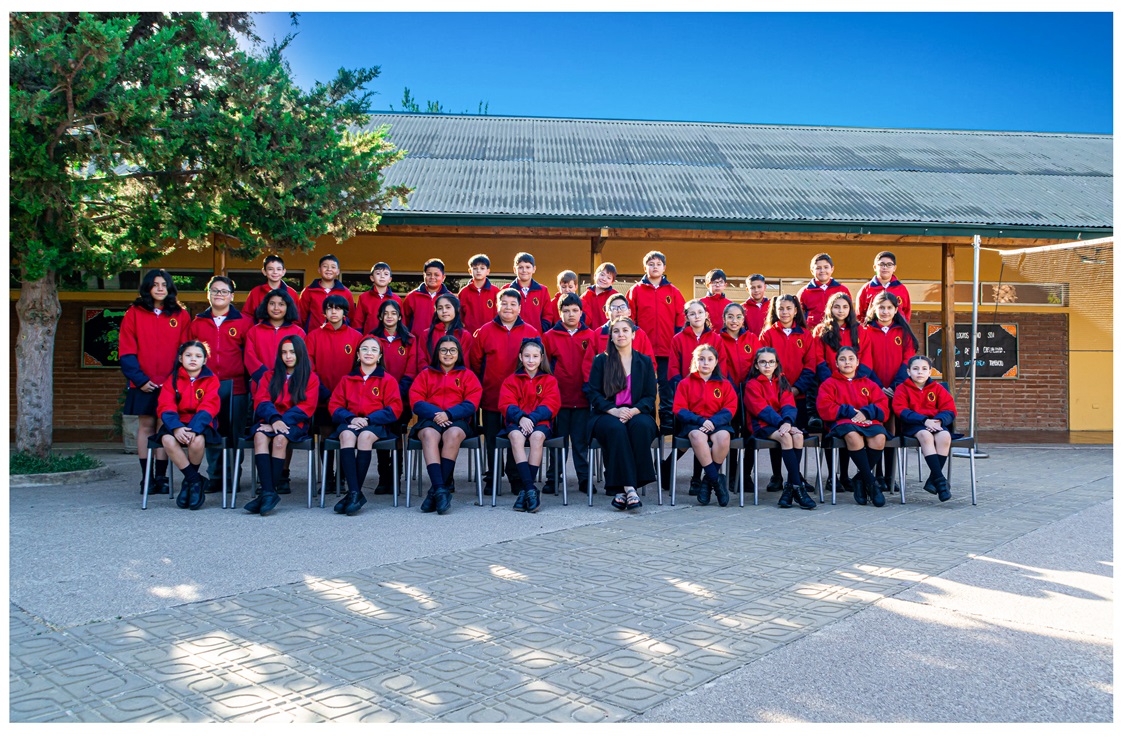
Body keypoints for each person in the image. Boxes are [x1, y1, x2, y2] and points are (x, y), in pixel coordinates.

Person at [118, 268, 191, 495]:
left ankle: (161, 477)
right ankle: (147, 477)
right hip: (143, 382)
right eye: (155, 284)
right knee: (146, 427)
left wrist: (175, 380)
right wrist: (140, 380)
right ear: (148, 287)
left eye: (164, 284)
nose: (160, 288)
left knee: (164, 427)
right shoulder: (134, 313)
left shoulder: (181, 315)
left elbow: (185, 352)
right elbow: (126, 351)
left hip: (170, 383)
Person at [468, 288, 541, 490]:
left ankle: (515, 477)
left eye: (513, 304)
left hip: (520, 399)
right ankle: (493, 477)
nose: (508, 307)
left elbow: (537, 362)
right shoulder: (484, 331)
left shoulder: (531, 332)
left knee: (515, 436)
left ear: (520, 307)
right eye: (504, 303)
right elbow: (475, 362)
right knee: (492, 438)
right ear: (496, 305)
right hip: (492, 395)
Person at [585, 317, 659, 511]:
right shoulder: (601, 361)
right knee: (616, 428)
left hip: (637, 412)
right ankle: (630, 488)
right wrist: (614, 410)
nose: (621, 334)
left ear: (633, 334)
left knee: (641, 426)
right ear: (611, 336)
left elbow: (650, 396)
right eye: (616, 331)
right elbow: (593, 393)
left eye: (625, 330)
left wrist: (633, 411)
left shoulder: (644, 362)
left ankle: (620, 491)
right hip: (607, 413)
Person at [189, 275, 253, 494]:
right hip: (207, 388)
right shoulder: (197, 323)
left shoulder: (243, 322)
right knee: (212, 430)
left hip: (236, 387)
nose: (219, 295)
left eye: (224, 291)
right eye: (215, 291)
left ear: (232, 296)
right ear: (208, 294)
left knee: (235, 434)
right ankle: (216, 476)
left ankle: (233, 477)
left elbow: (249, 354)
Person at [244, 336, 320, 515]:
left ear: (300, 353)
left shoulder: (310, 378)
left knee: (280, 439)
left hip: (295, 422)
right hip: (270, 419)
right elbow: (262, 400)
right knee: (259, 436)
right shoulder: (269, 376)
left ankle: (267, 493)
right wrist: (274, 420)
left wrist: (281, 422)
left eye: (292, 352)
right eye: (284, 352)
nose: (288, 356)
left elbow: (306, 407)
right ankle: (268, 492)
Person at [326, 336, 403, 515]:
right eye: (365, 349)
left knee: (365, 436)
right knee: (346, 436)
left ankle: (353, 493)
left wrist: (369, 419)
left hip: (375, 424)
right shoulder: (347, 379)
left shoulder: (388, 380)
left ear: (380, 356)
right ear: (358, 355)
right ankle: (355, 493)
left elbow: (395, 408)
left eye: (374, 350)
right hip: (351, 422)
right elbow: (334, 405)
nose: (369, 353)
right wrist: (351, 418)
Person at [408, 336, 483, 514]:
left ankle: (435, 491)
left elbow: (472, 403)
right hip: (430, 419)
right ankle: (441, 489)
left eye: (452, 350)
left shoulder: (467, 375)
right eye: (443, 350)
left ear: (458, 354)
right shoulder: (426, 374)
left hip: (457, 420)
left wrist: (448, 414)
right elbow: (416, 401)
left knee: (453, 434)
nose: (448, 354)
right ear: (437, 353)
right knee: (428, 434)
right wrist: (437, 414)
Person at [810, 291, 874, 490]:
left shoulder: (860, 331)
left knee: (851, 427)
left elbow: (867, 358)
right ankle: (832, 476)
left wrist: (854, 379)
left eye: (845, 306)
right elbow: (818, 359)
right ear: (830, 308)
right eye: (836, 306)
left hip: (855, 386)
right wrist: (832, 381)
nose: (841, 310)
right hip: (831, 386)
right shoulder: (821, 330)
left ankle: (846, 476)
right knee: (832, 431)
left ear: (850, 309)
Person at [817, 346, 890, 507]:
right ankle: (871, 483)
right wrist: (849, 411)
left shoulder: (868, 383)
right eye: (842, 359)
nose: (847, 362)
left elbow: (883, 405)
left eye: (851, 359)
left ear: (857, 363)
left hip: (867, 421)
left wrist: (866, 412)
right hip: (842, 421)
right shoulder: (829, 384)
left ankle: (859, 479)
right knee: (853, 436)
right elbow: (825, 407)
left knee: (880, 437)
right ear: (836, 363)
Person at [744, 347, 816, 509]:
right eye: (763, 362)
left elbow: (789, 405)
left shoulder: (782, 382)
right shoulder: (752, 385)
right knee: (786, 437)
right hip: (762, 425)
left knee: (798, 436)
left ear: (776, 364)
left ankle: (789, 489)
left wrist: (788, 422)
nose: (767, 365)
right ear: (756, 365)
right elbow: (762, 410)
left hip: (782, 423)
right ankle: (798, 488)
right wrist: (783, 424)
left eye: (771, 362)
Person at [665, 299, 723, 496]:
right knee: (691, 435)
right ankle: (666, 467)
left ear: (706, 315)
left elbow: (721, 366)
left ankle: (697, 479)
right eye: (692, 313)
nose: (696, 316)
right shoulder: (678, 339)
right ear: (687, 317)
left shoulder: (716, 338)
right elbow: (673, 369)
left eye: (700, 312)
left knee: (704, 434)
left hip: (711, 397)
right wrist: (685, 388)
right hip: (688, 398)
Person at [758, 294, 816, 493]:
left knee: (796, 434)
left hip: (797, 396)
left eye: (788, 308)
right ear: (775, 311)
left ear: (796, 310)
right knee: (779, 434)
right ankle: (777, 475)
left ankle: (795, 477)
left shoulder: (805, 335)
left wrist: (796, 388)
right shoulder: (768, 334)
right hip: (773, 395)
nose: (784, 312)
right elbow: (764, 363)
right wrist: (778, 389)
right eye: (781, 308)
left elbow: (810, 366)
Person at [155, 340, 221, 510]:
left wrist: (195, 428)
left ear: (204, 360)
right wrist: (176, 427)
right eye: (188, 355)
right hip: (177, 421)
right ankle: (194, 480)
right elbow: (165, 405)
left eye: (198, 356)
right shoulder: (172, 379)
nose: (193, 359)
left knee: (197, 440)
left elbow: (210, 406)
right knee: (167, 440)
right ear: (180, 358)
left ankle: (188, 483)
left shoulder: (211, 379)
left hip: (201, 421)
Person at [863, 291, 919, 493]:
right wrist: (878, 387)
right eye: (881, 307)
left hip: (896, 391)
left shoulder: (903, 333)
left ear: (896, 310)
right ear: (874, 309)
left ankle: (890, 475)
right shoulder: (866, 331)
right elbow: (865, 361)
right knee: (876, 432)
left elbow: (908, 360)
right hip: (874, 391)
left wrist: (895, 386)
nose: (885, 311)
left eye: (889, 308)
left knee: (892, 433)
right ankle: (876, 475)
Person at [498, 338, 562, 513]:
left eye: (535, 356)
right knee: (516, 436)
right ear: (520, 357)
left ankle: (525, 491)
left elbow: (551, 404)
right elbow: (506, 404)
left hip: (540, 422)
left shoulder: (549, 380)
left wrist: (532, 419)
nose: (531, 360)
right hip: (516, 422)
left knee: (537, 437)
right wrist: (521, 418)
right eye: (527, 356)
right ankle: (530, 490)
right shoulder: (511, 380)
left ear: (541, 358)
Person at [306, 294, 363, 489]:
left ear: (344, 312)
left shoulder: (356, 337)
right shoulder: (313, 336)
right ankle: (328, 477)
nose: (333, 312)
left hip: (348, 399)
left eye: (337, 308)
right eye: (329, 308)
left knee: (348, 434)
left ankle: (343, 476)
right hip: (323, 397)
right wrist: (325, 393)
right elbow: (309, 369)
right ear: (324, 312)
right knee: (326, 435)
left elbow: (359, 368)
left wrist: (345, 395)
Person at [542, 294, 596, 495]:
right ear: (560, 313)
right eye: (566, 311)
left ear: (581, 313)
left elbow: (594, 367)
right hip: (559, 400)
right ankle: (553, 478)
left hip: (582, 399)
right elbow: (545, 368)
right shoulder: (549, 337)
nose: (571, 314)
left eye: (575, 310)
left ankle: (584, 479)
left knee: (581, 443)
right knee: (558, 442)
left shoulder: (591, 335)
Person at [626, 250, 686, 433]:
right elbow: (630, 321)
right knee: (646, 386)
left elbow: (681, 319)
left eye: (658, 264)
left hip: (667, 350)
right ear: (645, 267)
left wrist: (675, 343)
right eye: (651, 264)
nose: (655, 267)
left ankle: (666, 423)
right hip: (643, 350)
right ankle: (648, 420)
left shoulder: (673, 291)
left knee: (666, 387)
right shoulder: (635, 290)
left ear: (664, 267)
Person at [672, 344, 737, 506]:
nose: (705, 363)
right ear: (695, 361)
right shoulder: (685, 383)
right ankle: (716, 482)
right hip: (694, 424)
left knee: (724, 437)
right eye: (701, 359)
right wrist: (701, 421)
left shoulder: (725, 384)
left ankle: (707, 482)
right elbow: (679, 408)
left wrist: (713, 422)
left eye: (710, 359)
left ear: (716, 362)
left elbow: (730, 407)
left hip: (718, 423)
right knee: (697, 436)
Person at [893, 355, 958, 502]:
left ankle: (932, 479)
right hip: (913, 425)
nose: (920, 372)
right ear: (908, 371)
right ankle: (940, 481)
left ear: (930, 372)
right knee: (926, 436)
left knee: (945, 436)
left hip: (935, 423)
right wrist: (924, 420)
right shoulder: (902, 389)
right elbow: (900, 410)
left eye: (924, 369)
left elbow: (950, 409)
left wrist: (939, 421)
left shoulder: (938, 388)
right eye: (915, 369)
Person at [369, 299, 417, 493]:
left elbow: (411, 371)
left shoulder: (410, 340)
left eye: (393, 313)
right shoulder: (372, 339)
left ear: (399, 316)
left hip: (401, 398)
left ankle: (396, 476)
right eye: (386, 313)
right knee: (381, 434)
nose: (389, 316)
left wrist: (396, 392)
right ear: (380, 316)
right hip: (376, 398)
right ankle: (383, 477)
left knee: (397, 435)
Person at [581, 292, 656, 377]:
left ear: (629, 312)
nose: (619, 310)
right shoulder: (598, 334)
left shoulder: (639, 333)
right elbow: (589, 364)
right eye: (614, 308)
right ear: (607, 314)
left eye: (622, 307)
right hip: (605, 382)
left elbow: (650, 363)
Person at [244, 289, 306, 390]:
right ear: (266, 306)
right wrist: (266, 377)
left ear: (288, 307)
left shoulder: (298, 332)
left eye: (281, 304)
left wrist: (287, 377)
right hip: (261, 385)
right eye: (272, 304)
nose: (276, 308)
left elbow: (302, 359)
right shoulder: (254, 331)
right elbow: (249, 358)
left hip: (290, 386)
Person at [416, 293, 474, 375]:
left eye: (448, 307)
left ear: (457, 309)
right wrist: (430, 376)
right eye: (440, 308)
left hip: (456, 379)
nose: (444, 311)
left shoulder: (464, 335)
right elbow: (422, 360)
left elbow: (464, 363)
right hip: (430, 378)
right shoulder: (426, 334)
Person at [297, 254, 354, 333]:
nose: (329, 269)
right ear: (319, 270)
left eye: (333, 267)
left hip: (339, 334)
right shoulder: (309, 291)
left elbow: (351, 316)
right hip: (313, 334)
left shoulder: (345, 292)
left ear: (338, 271)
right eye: (325, 266)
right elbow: (301, 316)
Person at [402, 258, 453, 337]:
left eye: (436, 275)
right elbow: (404, 321)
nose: (432, 277)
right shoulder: (412, 296)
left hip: (442, 341)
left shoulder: (450, 298)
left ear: (443, 277)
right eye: (429, 274)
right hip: (417, 341)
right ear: (424, 275)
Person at [797, 253, 850, 327]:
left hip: (838, 331)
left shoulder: (842, 290)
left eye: (826, 267)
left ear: (832, 269)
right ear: (812, 271)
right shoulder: (804, 292)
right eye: (818, 268)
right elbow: (798, 317)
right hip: (812, 332)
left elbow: (850, 313)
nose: (822, 270)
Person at [507, 252, 556, 332]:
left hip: (535, 336)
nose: (524, 270)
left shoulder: (543, 290)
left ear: (534, 269)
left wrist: (540, 330)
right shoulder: (506, 289)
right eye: (520, 267)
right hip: (512, 335)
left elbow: (548, 315)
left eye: (528, 267)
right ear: (515, 269)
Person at [857, 251, 912, 322]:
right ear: (875, 267)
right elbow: (859, 314)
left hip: (897, 328)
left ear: (894, 268)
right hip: (872, 328)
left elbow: (907, 312)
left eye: (889, 264)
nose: (885, 267)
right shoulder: (866, 289)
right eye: (881, 264)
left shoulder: (901, 289)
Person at [243, 255, 300, 322]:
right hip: (261, 328)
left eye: (278, 269)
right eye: (270, 269)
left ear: (283, 272)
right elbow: (247, 317)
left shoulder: (291, 293)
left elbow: (297, 319)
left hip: (286, 328)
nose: (275, 272)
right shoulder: (255, 292)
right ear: (264, 271)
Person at [352, 261, 402, 335]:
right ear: (372, 278)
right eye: (378, 273)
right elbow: (358, 321)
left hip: (390, 338)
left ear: (390, 279)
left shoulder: (397, 299)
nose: (382, 276)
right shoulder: (363, 297)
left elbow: (401, 322)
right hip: (369, 338)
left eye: (386, 274)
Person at [717, 302, 760, 387]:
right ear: (724, 319)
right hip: (727, 388)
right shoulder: (718, 340)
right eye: (730, 317)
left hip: (751, 387)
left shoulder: (752, 338)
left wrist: (750, 383)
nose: (734, 321)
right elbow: (720, 367)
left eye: (738, 317)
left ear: (743, 319)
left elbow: (758, 362)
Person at [458, 254, 500, 335]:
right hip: (469, 335)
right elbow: (459, 316)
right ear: (470, 271)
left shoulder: (495, 291)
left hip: (491, 335)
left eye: (482, 268)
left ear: (488, 271)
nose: (478, 271)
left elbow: (499, 315)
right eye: (475, 268)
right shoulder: (464, 292)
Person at [582, 262, 618, 330]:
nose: (604, 279)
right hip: (589, 334)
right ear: (595, 276)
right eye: (602, 275)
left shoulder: (615, 296)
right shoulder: (585, 296)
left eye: (608, 278)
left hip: (609, 333)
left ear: (612, 282)